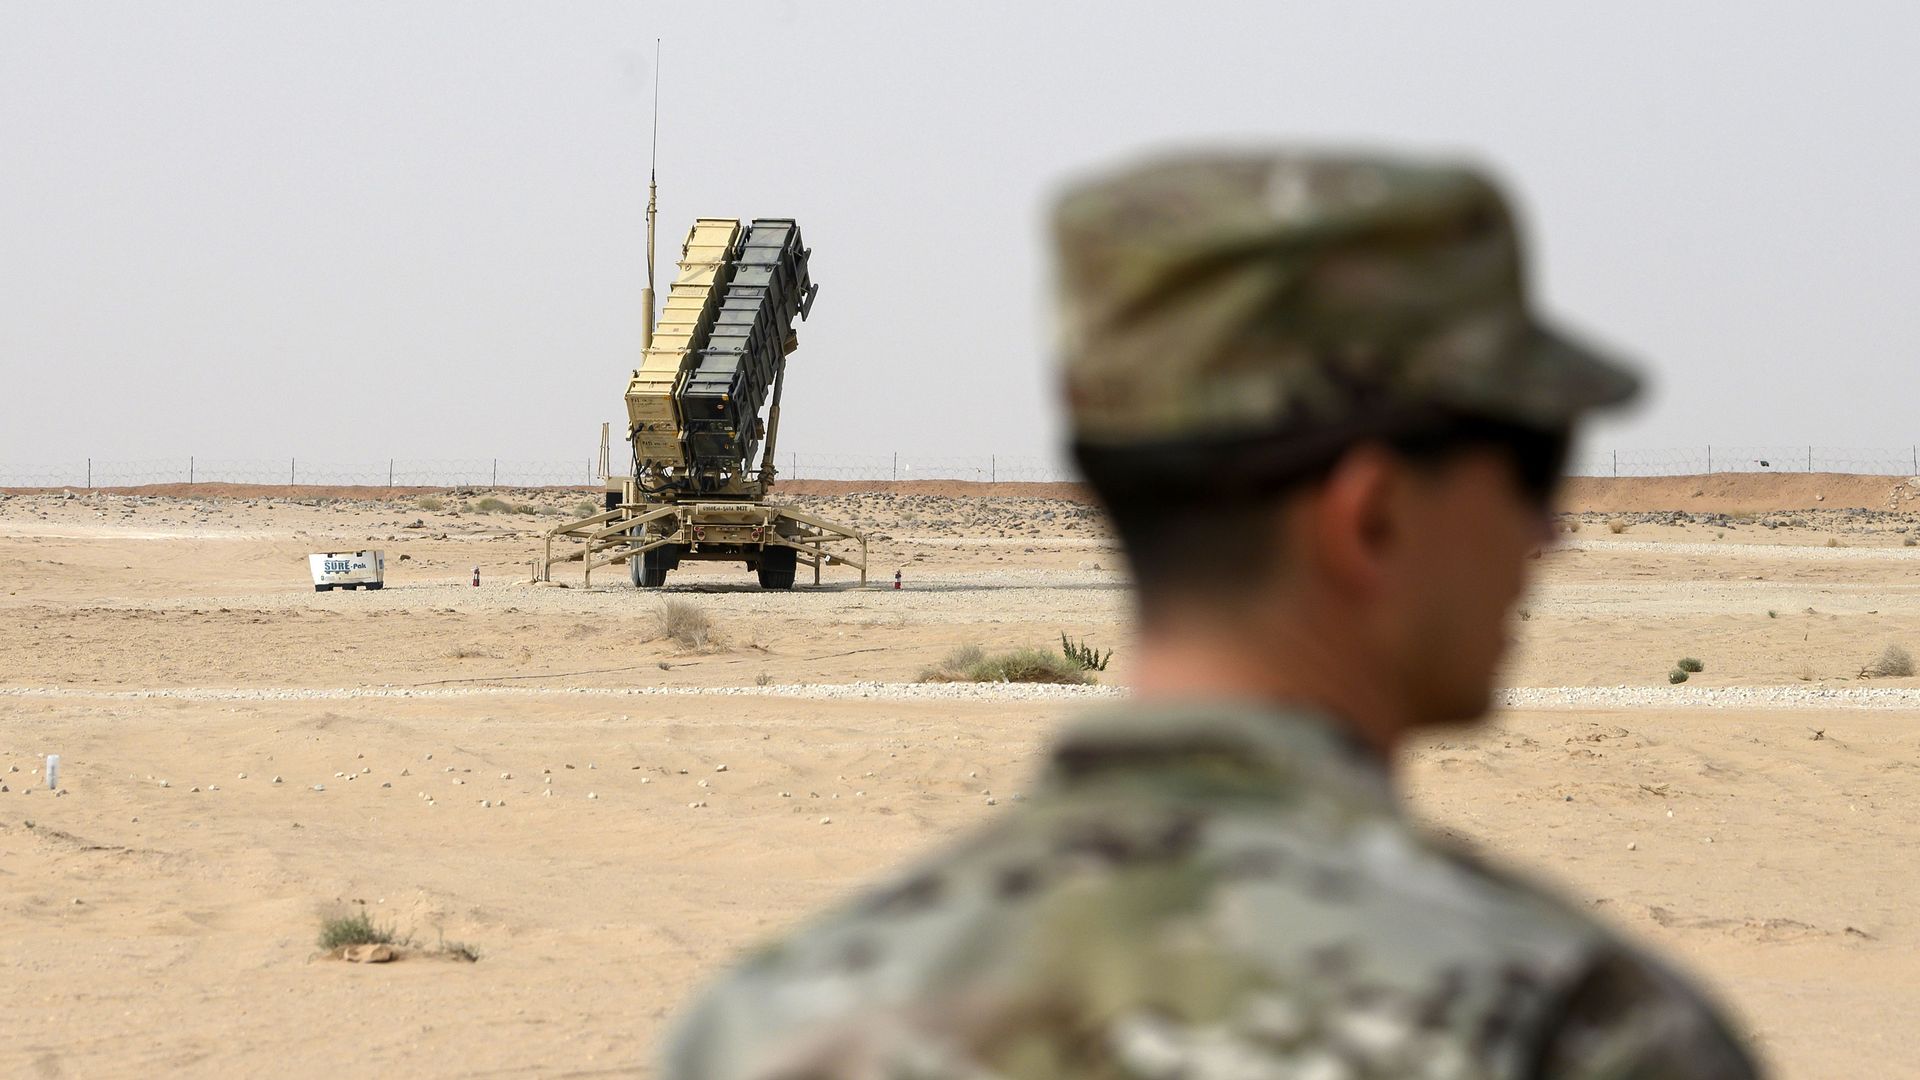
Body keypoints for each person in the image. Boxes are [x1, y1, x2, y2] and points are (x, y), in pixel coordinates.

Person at [659, 150, 1762, 1079]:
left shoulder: (777, 1027)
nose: (1549, 533)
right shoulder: (1579, 1032)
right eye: (1533, 468)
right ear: (1372, 517)